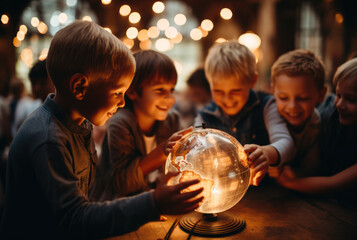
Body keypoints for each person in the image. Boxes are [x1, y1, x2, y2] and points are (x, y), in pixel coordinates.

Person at [0, 20, 204, 239]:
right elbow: (73, 218)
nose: (123, 103)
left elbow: (85, 200)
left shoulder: (81, 123)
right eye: (118, 93)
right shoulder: (49, 139)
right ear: (79, 88)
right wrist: (152, 203)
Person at [91, 49, 191, 201]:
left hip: (156, 200)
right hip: (116, 205)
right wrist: (162, 152)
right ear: (132, 92)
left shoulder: (172, 120)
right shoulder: (120, 124)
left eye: (171, 90)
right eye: (160, 90)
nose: (169, 98)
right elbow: (122, 184)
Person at [195, 40, 294, 186]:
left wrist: (267, 153)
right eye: (218, 91)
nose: (227, 99)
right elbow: (195, 148)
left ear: (252, 81)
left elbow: (287, 143)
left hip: (267, 194)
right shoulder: (204, 116)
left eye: (235, 91)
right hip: (223, 193)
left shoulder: (266, 105)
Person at [276, 56, 357, 204]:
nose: (339, 104)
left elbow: (334, 184)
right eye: (338, 95)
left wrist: (287, 181)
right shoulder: (329, 115)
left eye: (351, 99)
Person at [270, 49, 327, 177]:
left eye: (303, 98)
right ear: (273, 91)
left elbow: (312, 165)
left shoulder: (315, 123)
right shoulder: (270, 114)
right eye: (283, 98)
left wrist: (291, 173)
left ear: (321, 94)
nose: (292, 107)